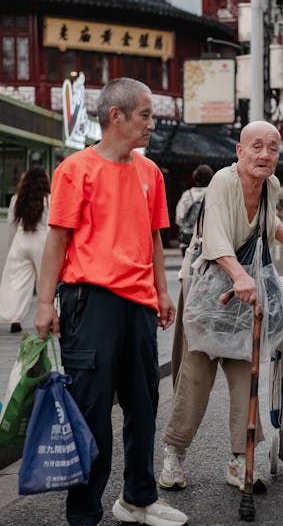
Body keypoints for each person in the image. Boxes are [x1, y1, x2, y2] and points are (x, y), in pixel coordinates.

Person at [34, 78, 187, 526]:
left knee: (144, 404)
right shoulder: (75, 169)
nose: (152, 124)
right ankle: (84, 512)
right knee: (92, 409)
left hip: (138, 303)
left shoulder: (150, 172)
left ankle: (139, 498)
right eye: (145, 114)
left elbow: (155, 239)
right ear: (115, 116)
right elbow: (57, 239)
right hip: (90, 300)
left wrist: (161, 291)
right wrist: (45, 304)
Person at [159, 120, 283, 493]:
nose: (265, 154)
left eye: (273, 148)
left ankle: (239, 459)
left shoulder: (270, 186)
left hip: (245, 295)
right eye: (257, 146)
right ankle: (174, 454)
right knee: (195, 376)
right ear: (240, 151)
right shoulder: (222, 182)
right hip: (208, 291)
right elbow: (214, 235)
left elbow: (270, 223)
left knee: (247, 374)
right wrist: (238, 275)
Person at [0, 167, 50, 333]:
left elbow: (11, 223)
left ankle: (15, 318)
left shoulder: (17, 198)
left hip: (21, 239)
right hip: (42, 239)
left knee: (16, 280)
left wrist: (11, 245)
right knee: (46, 279)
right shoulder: (49, 200)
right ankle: (51, 315)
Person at [175, 164, 214, 256]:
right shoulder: (214, 194)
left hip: (187, 241)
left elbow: (179, 218)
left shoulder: (187, 195)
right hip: (208, 241)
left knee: (187, 269)